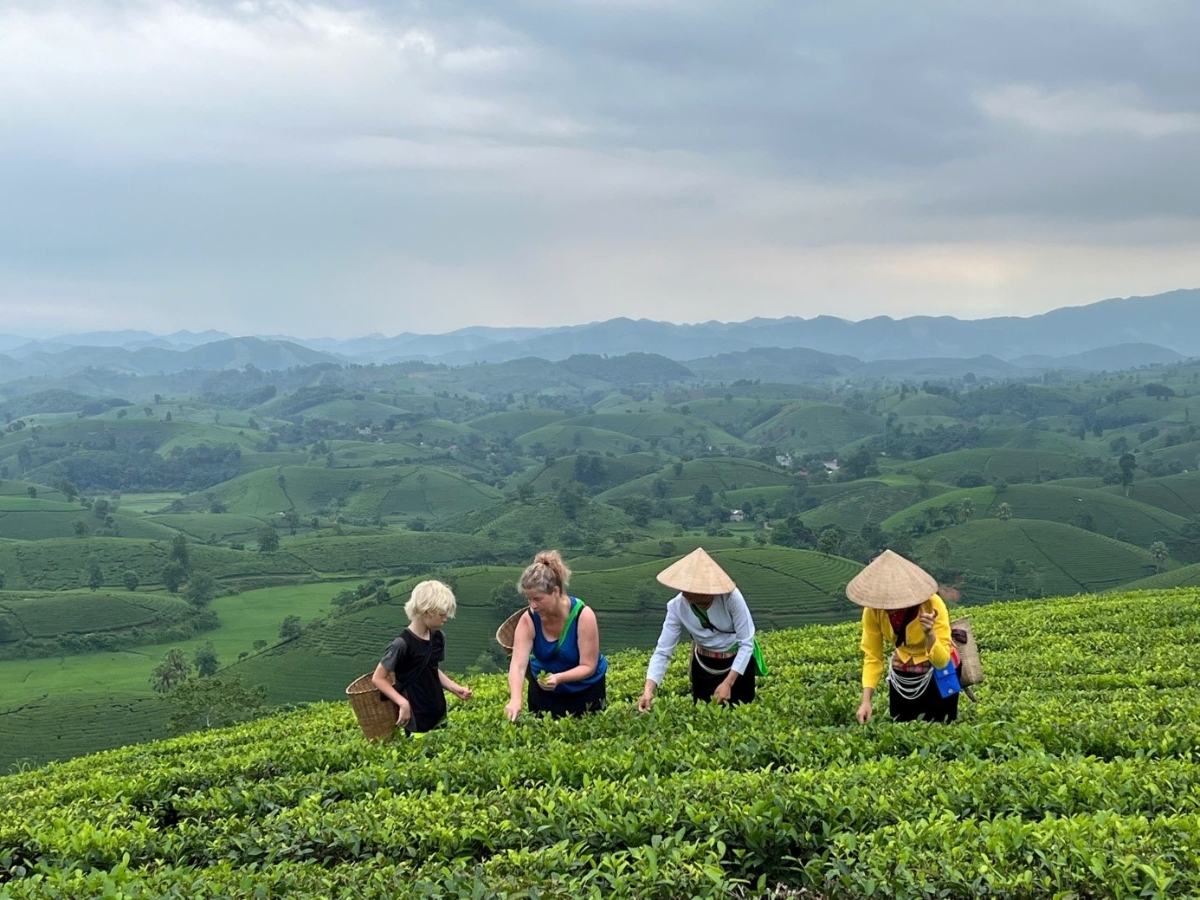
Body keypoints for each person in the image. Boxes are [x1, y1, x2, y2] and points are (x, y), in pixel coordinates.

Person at [638, 547, 760, 712]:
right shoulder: (677, 606)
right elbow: (663, 651)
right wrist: (648, 689)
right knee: (704, 719)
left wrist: (728, 683)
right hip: (704, 666)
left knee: (742, 716)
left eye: (691, 588)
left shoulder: (731, 599)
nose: (685, 593)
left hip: (736, 665)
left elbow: (746, 644)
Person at [848, 549, 960, 725]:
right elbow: (872, 656)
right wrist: (866, 700)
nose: (887, 604)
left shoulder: (932, 605)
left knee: (941, 726)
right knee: (902, 727)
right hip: (903, 671)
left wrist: (929, 634)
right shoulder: (872, 611)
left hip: (938, 671)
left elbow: (942, 661)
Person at [505, 550, 608, 721]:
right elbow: (518, 664)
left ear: (555, 591)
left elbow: (588, 666)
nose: (533, 605)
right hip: (543, 695)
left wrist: (559, 678)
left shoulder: (583, 615)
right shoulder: (528, 619)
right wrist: (516, 699)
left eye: (538, 599)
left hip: (585, 693)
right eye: (529, 599)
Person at [371, 579, 472, 734]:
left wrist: (454, 687)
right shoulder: (401, 644)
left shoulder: (439, 638)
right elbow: (378, 678)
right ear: (426, 611)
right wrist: (402, 703)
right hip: (415, 717)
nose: (445, 619)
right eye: (442, 614)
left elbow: (431, 669)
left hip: (438, 712)